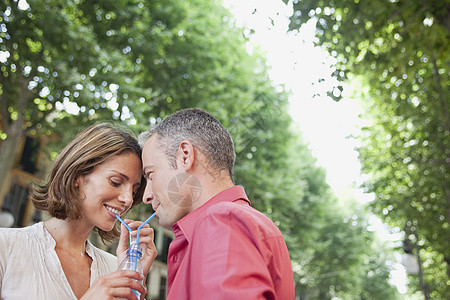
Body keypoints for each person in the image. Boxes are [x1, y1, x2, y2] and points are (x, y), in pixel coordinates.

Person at [139, 108, 295, 299]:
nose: (146, 195)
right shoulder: (250, 223)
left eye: (150, 174)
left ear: (185, 156)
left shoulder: (221, 220)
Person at [0, 123, 157, 300]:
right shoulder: (5, 247)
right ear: (77, 176)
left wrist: (134, 276)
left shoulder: (115, 268)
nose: (128, 199)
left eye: (134, 190)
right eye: (115, 181)